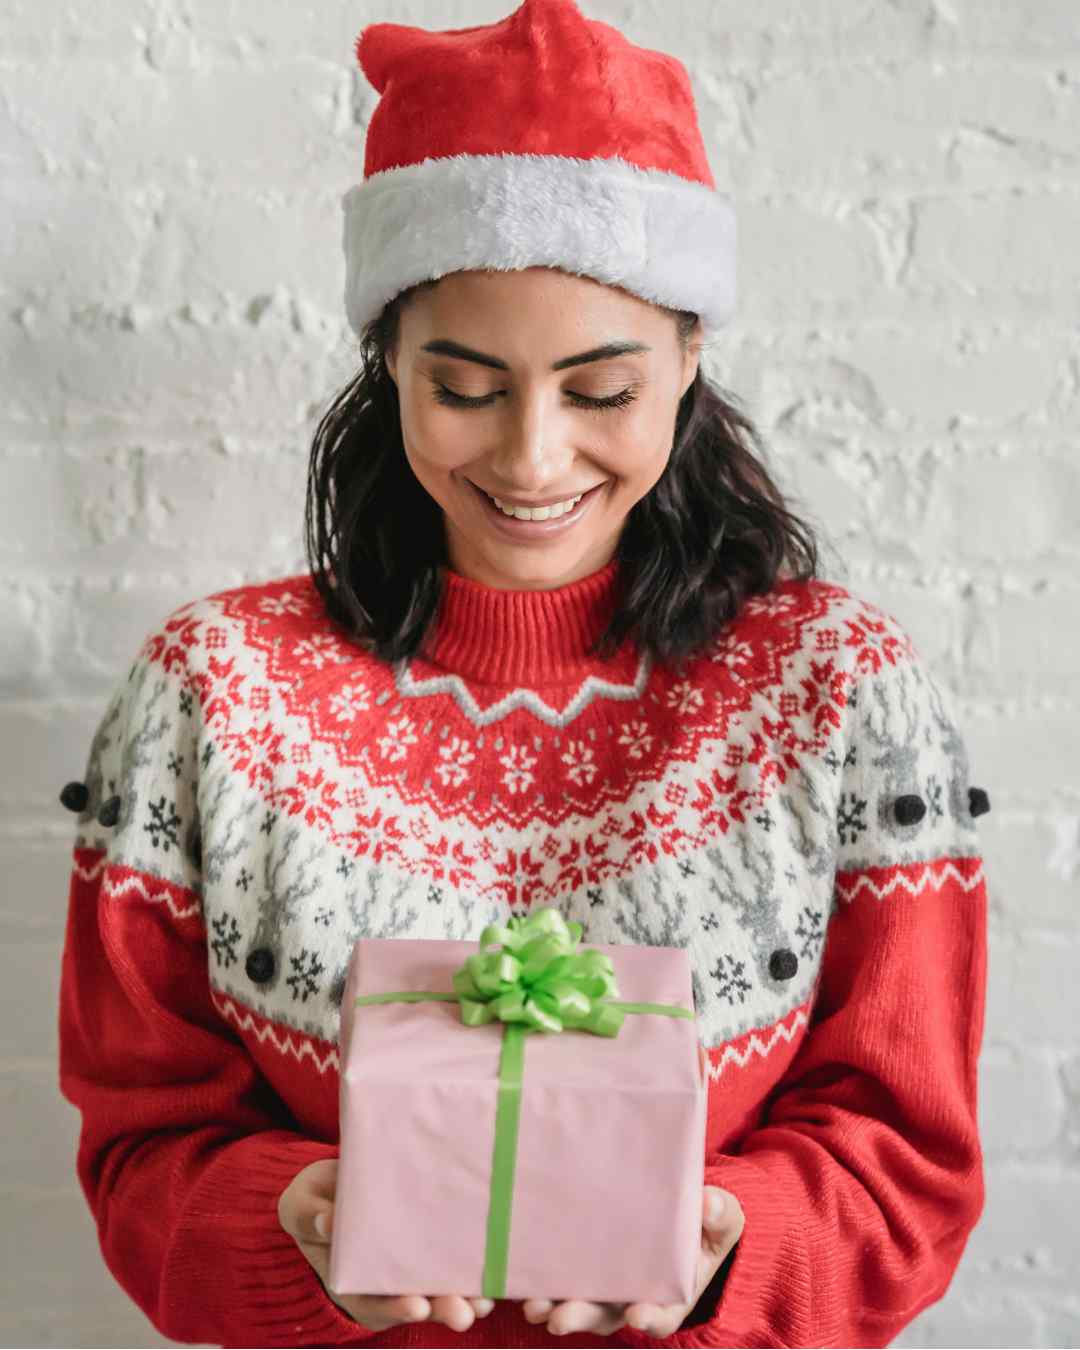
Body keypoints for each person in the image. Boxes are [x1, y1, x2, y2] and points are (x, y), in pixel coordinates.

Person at [57, 1, 991, 1346]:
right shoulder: (213, 695)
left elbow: (910, 1164)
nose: (533, 458)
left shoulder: (841, 693)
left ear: (686, 360)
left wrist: (738, 1248)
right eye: (468, 385)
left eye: (601, 391)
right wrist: (288, 1221)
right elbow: (140, 1154)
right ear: (388, 360)